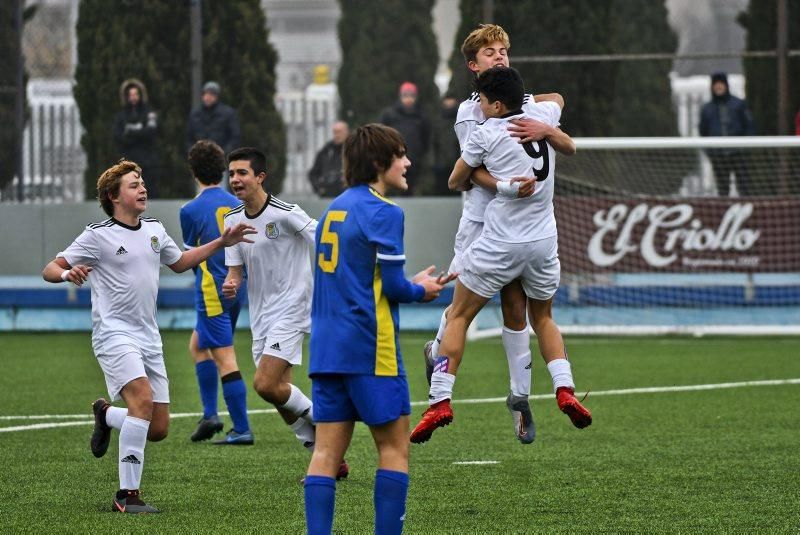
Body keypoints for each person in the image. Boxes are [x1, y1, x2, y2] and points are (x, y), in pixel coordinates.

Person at [42, 159, 255, 513]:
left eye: (142, 182)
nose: (142, 188)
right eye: (133, 184)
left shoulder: (155, 229)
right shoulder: (97, 234)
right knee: (140, 398)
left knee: (156, 428)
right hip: (114, 334)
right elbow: (50, 268)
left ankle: (107, 415)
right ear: (113, 196)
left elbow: (181, 261)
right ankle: (127, 496)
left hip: (148, 337)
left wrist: (221, 241)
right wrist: (67, 275)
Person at [420, 23, 585, 445]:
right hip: (482, 221)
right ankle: (437, 353)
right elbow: (470, 173)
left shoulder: (524, 101)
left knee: (515, 312)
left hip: (514, 226)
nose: (500, 57)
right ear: (473, 67)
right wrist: (508, 185)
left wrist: (544, 121)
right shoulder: (470, 114)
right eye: (490, 52)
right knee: (463, 308)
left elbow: (556, 100)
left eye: (503, 50)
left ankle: (520, 400)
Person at [304, 124, 451, 534]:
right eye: (400, 154)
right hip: (371, 348)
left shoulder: (332, 209)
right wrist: (421, 289)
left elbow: (364, 276)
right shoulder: (385, 211)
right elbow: (393, 287)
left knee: (325, 454)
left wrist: (409, 283)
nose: (407, 162)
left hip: (327, 349)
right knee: (394, 448)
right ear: (377, 163)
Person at [221, 147, 347, 477]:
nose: (235, 179)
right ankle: (326, 458)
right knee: (279, 393)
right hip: (261, 314)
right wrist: (231, 284)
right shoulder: (231, 220)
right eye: (231, 173)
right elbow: (235, 270)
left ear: (260, 177)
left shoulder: (286, 213)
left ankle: (331, 427)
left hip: (293, 307)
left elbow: (325, 238)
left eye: (242, 173)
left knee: (264, 383)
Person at [180, 140, 252, 444]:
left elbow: (192, 258)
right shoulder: (238, 202)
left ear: (193, 172)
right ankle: (210, 415)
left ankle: (242, 428)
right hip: (238, 287)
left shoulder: (190, 210)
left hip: (211, 289)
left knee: (224, 356)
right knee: (198, 345)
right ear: (223, 170)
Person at [699, 72, 756, 196]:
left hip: (738, 153)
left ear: (726, 85)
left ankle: (745, 209)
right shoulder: (707, 108)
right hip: (718, 154)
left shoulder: (738, 104)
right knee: (723, 187)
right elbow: (703, 132)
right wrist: (710, 152)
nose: (719, 87)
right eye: (716, 84)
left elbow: (749, 126)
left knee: (744, 185)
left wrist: (744, 146)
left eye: (721, 84)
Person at [379, 82, 430, 196]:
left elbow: (425, 138)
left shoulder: (421, 116)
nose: (408, 99)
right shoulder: (389, 114)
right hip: (392, 159)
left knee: (409, 190)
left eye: (411, 96)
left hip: (414, 161)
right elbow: (381, 136)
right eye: (405, 95)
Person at [113, 79, 159, 198]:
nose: (133, 97)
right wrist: (139, 133)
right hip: (128, 161)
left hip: (147, 160)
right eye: (130, 95)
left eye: (136, 94)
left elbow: (151, 132)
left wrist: (131, 133)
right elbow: (119, 137)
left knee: (149, 190)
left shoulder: (149, 113)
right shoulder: (121, 116)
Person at [187, 81, 241, 155]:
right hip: (200, 159)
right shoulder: (195, 114)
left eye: (211, 94)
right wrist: (194, 153)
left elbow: (235, 137)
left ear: (217, 96)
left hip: (221, 159)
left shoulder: (228, 114)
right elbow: (189, 138)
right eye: (205, 93)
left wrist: (223, 153)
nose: (208, 97)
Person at [430, 93, 461, 195]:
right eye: (447, 100)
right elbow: (433, 144)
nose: (449, 103)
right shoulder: (437, 121)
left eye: (451, 99)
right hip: (441, 167)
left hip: (458, 165)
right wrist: (434, 163)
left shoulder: (461, 120)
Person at [308, 121, 349, 197]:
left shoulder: (353, 150)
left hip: (347, 194)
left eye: (339, 132)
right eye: (335, 132)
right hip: (327, 196)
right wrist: (319, 188)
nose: (337, 135)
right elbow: (313, 173)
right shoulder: (326, 151)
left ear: (346, 132)